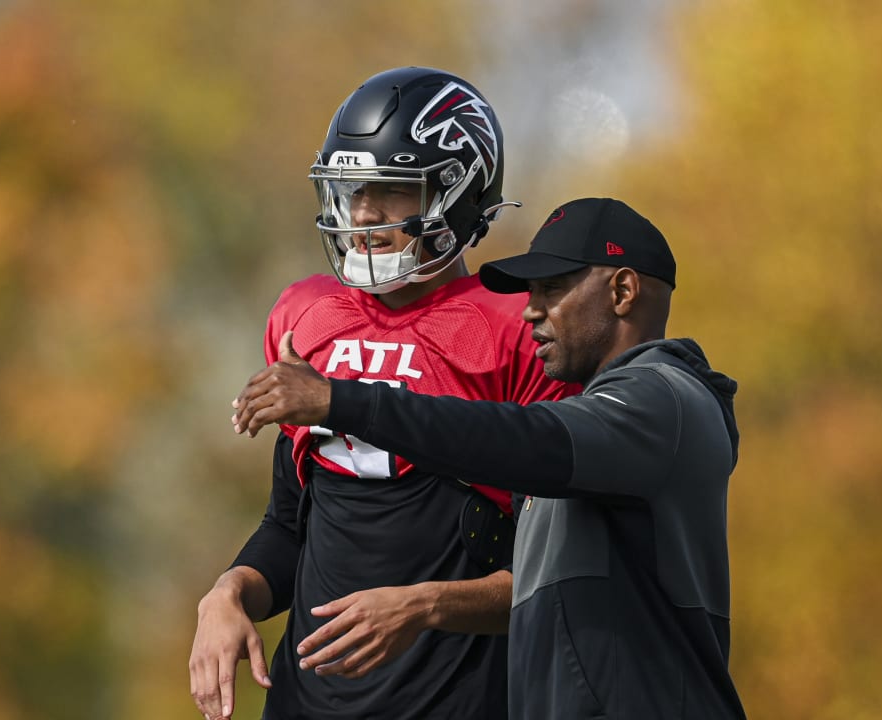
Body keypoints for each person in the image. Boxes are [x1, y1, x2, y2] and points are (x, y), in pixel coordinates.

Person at [231, 196, 748, 719]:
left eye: (552, 289)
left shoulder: (664, 399)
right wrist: (426, 603)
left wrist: (342, 400)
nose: (531, 311)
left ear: (622, 290)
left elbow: (523, 439)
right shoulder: (600, 421)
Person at [189, 67, 575, 720]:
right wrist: (227, 596)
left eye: (390, 191)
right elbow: (291, 525)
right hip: (305, 703)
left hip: (455, 702)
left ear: (457, 194)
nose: (363, 213)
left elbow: (561, 575)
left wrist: (424, 605)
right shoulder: (306, 317)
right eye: (353, 189)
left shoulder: (518, 330)